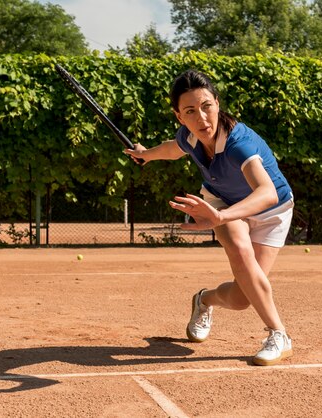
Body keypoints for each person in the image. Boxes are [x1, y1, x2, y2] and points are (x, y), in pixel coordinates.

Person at [124, 69, 294, 366]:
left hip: (272, 210)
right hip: (223, 201)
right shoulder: (189, 136)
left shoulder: (238, 144)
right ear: (180, 117)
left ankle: (204, 300)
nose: (201, 118)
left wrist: (220, 216)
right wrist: (146, 154)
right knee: (240, 252)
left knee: (242, 299)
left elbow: (266, 193)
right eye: (190, 111)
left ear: (217, 103)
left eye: (207, 106)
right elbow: (173, 149)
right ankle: (279, 334)